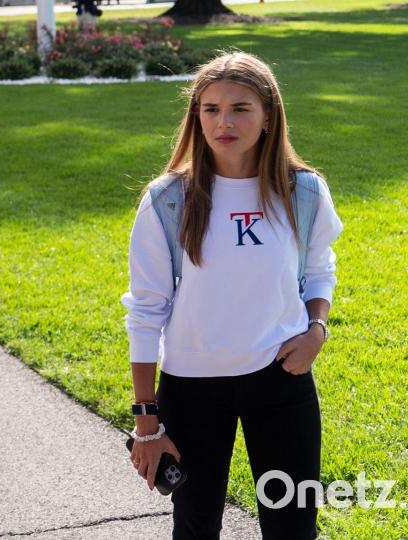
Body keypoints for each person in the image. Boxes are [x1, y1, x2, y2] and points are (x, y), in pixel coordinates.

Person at [122, 51, 342, 540]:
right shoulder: (168, 199)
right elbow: (145, 311)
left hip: (282, 377)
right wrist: (147, 420)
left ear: (268, 116)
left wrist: (316, 331)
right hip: (193, 386)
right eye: (211, 108)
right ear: (196, 117)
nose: (225, 121)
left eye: (241, 108)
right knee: (196, 526)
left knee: (293, 525)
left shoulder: (302, 191)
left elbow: (318, 268)